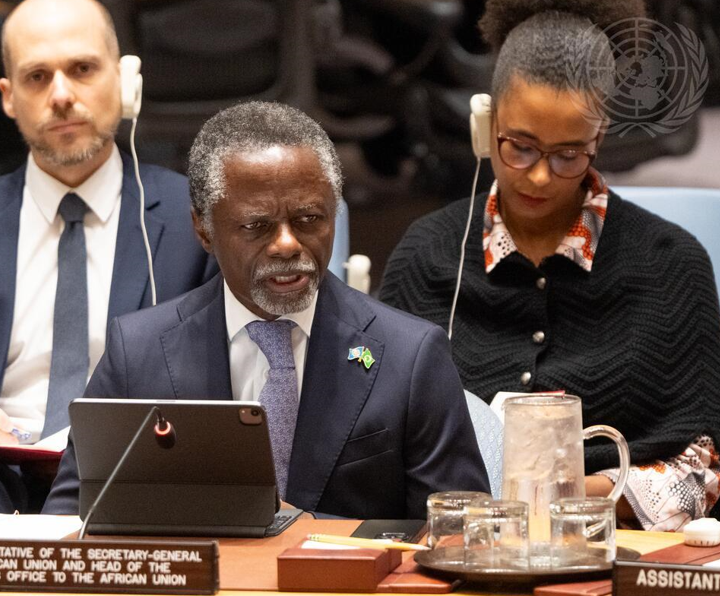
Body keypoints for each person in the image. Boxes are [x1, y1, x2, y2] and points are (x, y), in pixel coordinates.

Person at [43, 101, 490, 518]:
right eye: (257, 226)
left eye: (309, 219)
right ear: (203, 229)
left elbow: (460, 535)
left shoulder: (410, 356)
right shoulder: (137, 353)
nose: (287, 244)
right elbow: (69, 522)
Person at [380, 0, 720, 530]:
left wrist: (545, 501)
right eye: (519, 146)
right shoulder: (426, 254)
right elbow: (376, 434)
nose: (540, 176)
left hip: (611, 544)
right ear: (486, 125)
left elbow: (701, 471)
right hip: (452, 545)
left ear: (599, 138)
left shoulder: (671, 266)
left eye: (568, 154)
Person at [0, 0, 216, 513]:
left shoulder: (192, 220)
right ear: (9, 97)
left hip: (129, 472)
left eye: (82, 69)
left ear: (124, 81)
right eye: (37, 77)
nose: (61, 95)